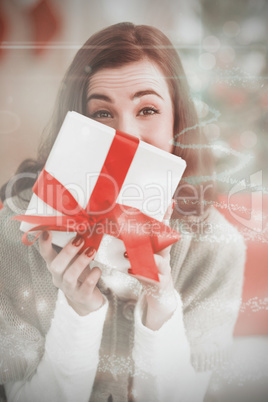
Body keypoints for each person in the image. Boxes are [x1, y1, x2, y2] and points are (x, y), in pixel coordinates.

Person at [0, 22, 245, 402]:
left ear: (178, 123)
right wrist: (78, 312)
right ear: (75, 123)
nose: (125, 135)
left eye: (147, 109)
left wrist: (162, 308)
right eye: (102, 113)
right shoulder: (14, 232)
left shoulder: (215, 247)